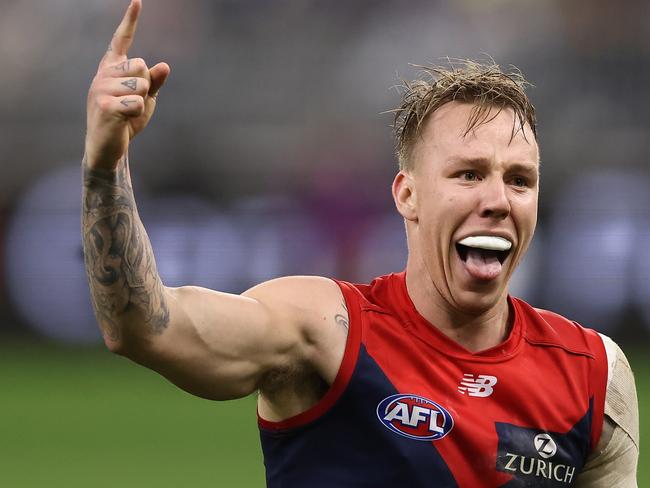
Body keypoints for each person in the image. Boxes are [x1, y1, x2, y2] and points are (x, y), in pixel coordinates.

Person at [82, 1, 638, 486]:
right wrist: (106, 167)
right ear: (408, 195)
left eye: (519, 180)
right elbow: (142, 325)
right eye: (468, 174)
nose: (497, 199)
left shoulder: (593, 376)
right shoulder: (327, 331)